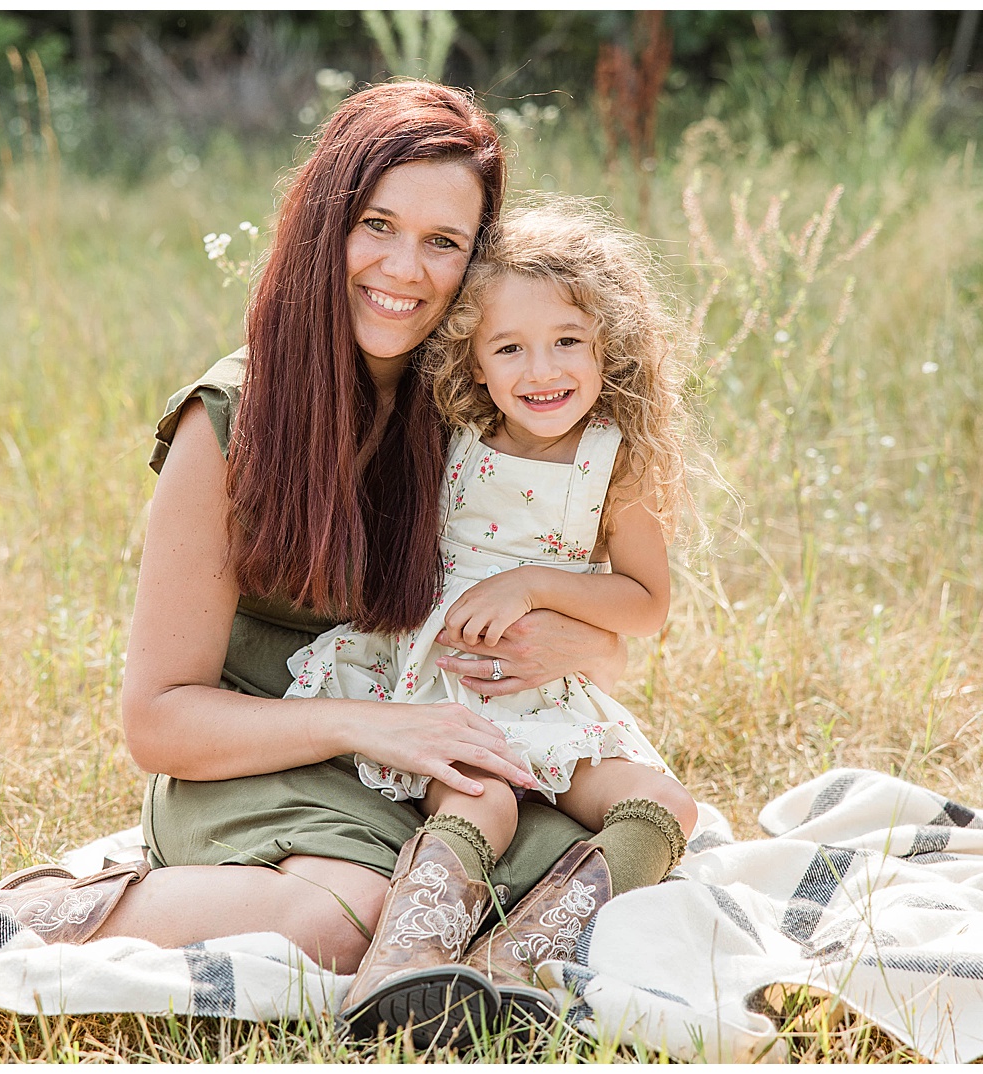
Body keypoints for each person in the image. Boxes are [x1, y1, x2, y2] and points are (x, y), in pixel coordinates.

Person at [0, 83, 631, 1049]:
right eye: (378, 225)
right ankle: (14, 921)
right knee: (349, 918)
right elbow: (159, 719)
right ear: (327, 222)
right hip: (252, 757)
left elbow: (606, 642)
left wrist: (562, 650)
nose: (404, 269)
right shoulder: (226, 422)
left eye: (444, 243)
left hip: (416, 749)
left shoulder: (480, 401)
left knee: (571, 876)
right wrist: (383, 725)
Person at [285, 201, 699, 1024]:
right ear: (474, 365)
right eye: (509, 348)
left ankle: (516, 965)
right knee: (485, 800)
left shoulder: (616, 467)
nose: (541, 371)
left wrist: (537, 585)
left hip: (540, 693)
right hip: (443, 678)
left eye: (567, 343)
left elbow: (647, 605)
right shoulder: (452, 440)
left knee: (667, 805)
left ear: (606, 345)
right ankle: (404, 970)